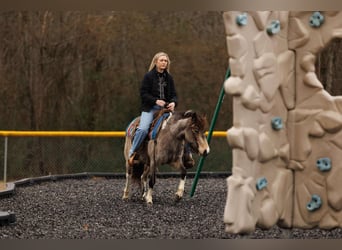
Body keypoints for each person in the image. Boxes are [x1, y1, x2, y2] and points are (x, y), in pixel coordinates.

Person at [128, 52, 194, 168]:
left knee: (183, 126)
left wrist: (173, 102)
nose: (164, 62)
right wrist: (155, 101)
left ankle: (187, 155)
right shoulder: (148, 76)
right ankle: (133, 152)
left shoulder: (169, 78)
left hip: (166, 110)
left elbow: (174, 95)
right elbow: (143, 94)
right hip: (151, 109)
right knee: (143, 129)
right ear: (155, 62)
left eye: (166, 61)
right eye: (161, 60)